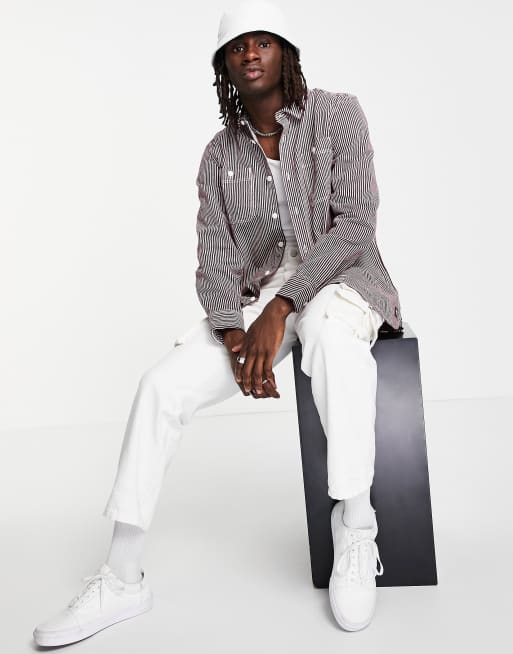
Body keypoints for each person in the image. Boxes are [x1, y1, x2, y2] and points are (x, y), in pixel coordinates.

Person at [33, 0, 402, 645]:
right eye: (237, 47)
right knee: (161, 387)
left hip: (342, 280)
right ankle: (122, 577)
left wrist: (285, 307)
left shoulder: (338, 113)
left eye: (264, 41)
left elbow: (355, 223)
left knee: (329, 336)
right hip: (259, 304)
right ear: (224, 67)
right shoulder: (219, 156)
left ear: (286, 53)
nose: (250, 53)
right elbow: (214, 259)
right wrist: (234, 335)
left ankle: (356, 525)